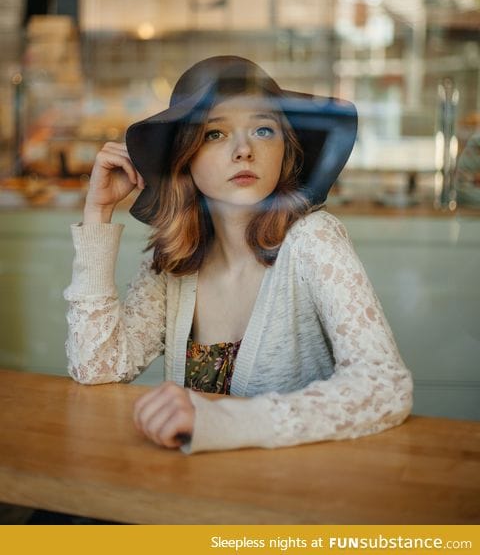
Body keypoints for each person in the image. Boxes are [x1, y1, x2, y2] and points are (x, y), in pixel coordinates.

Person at [64, 56, 413, 454]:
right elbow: (98, 368)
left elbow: (386, 386)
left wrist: (224, 423)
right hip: (193, 494)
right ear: (185, 158)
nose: (244, 150)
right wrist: (97, 214)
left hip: (289, 500)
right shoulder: (175, 261)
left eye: (264, 130)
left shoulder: (314, 241)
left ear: (286, 152)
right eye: (215, 134)